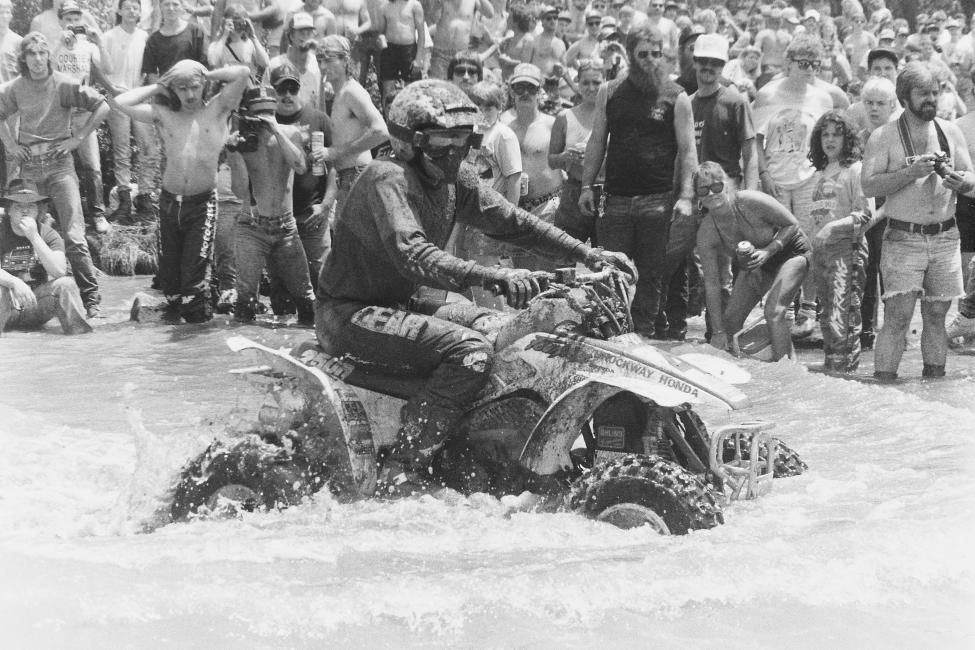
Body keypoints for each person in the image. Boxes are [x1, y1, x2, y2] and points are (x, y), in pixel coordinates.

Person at [314, 79, 633, 495]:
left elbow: (514, 222)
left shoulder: (455, 181)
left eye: (461, 139)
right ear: (410, 142)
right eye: (442, 140)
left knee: (507, 330)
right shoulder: (385, 177)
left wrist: (589, 254)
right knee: (469, 353)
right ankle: (406, 462)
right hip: (348, 313)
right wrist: (493, 276)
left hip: (403, 301)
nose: (453, 151)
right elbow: (415, 255)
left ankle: (481, 448)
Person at [579, 24, 697, 336]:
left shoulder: (677, 97)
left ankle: (642, 337)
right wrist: (585, 186)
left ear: (664, 56)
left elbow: (688, 152)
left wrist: (686, 196)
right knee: (610, 275)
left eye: (656, 54)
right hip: (615, 199)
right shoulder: (610, 91)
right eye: (642, 54)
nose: (649, 60)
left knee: (651, 276)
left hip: (657, 201)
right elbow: (596, 142)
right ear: (630, 55)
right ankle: (612, 337)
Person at [111, 61, 251, 323]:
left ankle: (199, 329)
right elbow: (120, 102)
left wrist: (205, 73)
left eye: (194, 87)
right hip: (168, 203)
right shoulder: (164, 114)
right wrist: (160, 84)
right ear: (172, 90)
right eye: (182, 88)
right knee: (170, 283)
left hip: (202, 205)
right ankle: (178, 347)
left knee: (194, 280)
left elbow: (242, 73)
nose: (189, 94)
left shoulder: (218, 109)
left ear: (204, 87)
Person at [861, 62, 975, 380]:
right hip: (903, 236)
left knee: (937, 316)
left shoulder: (949, 131)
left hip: (946, 236)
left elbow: (972, 180)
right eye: (922, 93)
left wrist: (960, 182)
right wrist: (909, 173)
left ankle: (934, 389)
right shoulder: (883, 136)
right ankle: (883, 388)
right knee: (898, 317)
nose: (930, 99)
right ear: (903, 96)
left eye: (934, 93)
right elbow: (868, 185)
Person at [0, 33, 108, 319]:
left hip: (60, 164)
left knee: (74, 234)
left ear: (49, 55)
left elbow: (102, 105)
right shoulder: (16, 88)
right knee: (26, 226)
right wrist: (11, 145)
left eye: (42, 53)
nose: (37, 59)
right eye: (31, 54)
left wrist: (78, 138)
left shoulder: (63, 84)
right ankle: (29, 295)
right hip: (30, 166)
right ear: (23, 58)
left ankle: (92, 301)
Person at [656, 33, 756, 341]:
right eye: (703, 62)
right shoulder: (688, 102)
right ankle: (665, 328)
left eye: (714, 63)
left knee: (721, 271)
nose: (708, 69)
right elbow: (679, 154)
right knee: (669, 260)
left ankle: (721, 334)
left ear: (723, 65)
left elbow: (751, 154)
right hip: (689, 197)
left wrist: (748, 196)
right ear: (694, 63)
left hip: (722, 199)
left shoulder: (735, 101)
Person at [753, 34, 842, 339]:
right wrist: (763, 175)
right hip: (775, 179)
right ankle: (783, 305)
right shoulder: (767, 94)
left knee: (810, 242)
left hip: (809, 178)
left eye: (815, 64)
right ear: (788, 63)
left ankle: (807, 305)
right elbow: (756, 140)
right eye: (804, 63)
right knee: (777, 243)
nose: (809, 69)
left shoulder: (822, 97)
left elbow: (831, 135)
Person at [695, 162, 811, 361]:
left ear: (727, 185)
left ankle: (788, 373)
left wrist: (768, 251)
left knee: (774, 312)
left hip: (791, 251)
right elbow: (712, 284)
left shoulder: (749, 200)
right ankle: (754, 371)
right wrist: (717, 332)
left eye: (716, 187)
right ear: (697, 195)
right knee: (729, 324)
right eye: (704, 189)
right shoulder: (706, 232)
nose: (712, 194)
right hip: (758, 265)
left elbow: (792, 223)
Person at [228, 86, 315, 323]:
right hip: (251, 227)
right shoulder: (244, 143)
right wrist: (234, 154)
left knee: (306, 298)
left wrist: (276, 130)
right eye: (259, 114)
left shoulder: (290, 134)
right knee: (245, 299)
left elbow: (300, 166)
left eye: (269, 112)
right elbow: (238, 191)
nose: (264, 119)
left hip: (286, 227)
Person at [808, 111, 873, 371]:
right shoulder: (820, 172)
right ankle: (832, 379)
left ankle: (845, 375)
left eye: (837, 134)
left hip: (847, 251)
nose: (830, 140)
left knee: (842, 320)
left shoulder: (855, 170)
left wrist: (834, 227)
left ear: (848, 138)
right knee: (827, 319)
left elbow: (866, 216)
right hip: (822, 254)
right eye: (825, 134)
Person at [270, 60, 334, 299]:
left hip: (312, 216)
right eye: (281, 90)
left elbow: (335, 166)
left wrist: (326, 206)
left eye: (292, 89)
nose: (287, 95)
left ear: (300, 90)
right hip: (277, 222)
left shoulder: (319, 119)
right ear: (272, 92)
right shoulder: (265, 122)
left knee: (323, 282)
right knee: (281, 289)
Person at [0, 178, 91, 335]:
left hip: (33, 304)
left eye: (30, 206)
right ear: (8, 210)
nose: (25, 211)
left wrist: (34, 237)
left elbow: (59, 272)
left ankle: (80, 339)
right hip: (4, 303)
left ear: (38, 211)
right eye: (18, 206)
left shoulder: (48, 234)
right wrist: (14, 282)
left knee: (66, 285)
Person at [52, 0, 113, 235]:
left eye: (76, 19)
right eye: (68, 19)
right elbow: (45, 72)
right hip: (60, 112)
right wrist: (59, 45)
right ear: (61, 21)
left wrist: (100, 43)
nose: (73, 23)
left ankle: (97, 214)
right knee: (57, 163)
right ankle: (57, 213)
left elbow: (108, 68)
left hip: (85, 111)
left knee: (93, 165)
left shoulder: (88, 45)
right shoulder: (54, 44)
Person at [314, 35, 388, 216]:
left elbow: (381, 131)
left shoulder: (352, 92)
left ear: (345, 60)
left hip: (357, 176)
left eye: (329, 60)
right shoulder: (336, 93)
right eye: (319, 60)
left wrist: (336, 152)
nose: (323, 67)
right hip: (344, 179)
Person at [102, 0, 159, 223]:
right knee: (122, 149)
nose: (131, 11)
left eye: (135, 8)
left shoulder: (145, 37)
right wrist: (110, 88)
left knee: (150, 148)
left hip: (140, 96)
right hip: (118, 98)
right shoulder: (109, 36)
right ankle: (124, 198)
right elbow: (98, 66)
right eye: (127, 7)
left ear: (139, 12)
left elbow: (151, 69)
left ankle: (144, 195)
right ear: (119, 10)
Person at [502, 63, 562, 270]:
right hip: (517, 208)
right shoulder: (502, 126)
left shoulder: (553, 124)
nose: (525, 93)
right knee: (522, 272)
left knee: (548, 270)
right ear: (511, 91)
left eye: (531, 88)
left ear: (540, 91)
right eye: (520, 88)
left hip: (548, 207)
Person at [549, 59, 602, 245]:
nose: (591, 87)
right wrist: (565, 157)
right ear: (577, 84)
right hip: (573, 190)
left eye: (596, 82)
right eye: (586, 82)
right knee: (564, 252)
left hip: (605, 193)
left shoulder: (613, 115)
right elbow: (551, 160)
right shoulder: (565, 117)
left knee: (606, 256)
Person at [142, 0, 208, 83]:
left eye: (175, 4)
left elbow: (204, 65)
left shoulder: (196, 31)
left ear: (182, 6)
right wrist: (162, 91)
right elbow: (150, 72)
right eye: (166, 4)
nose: (171, 8)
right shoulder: (153, 40)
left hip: (193, 87)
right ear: (160, 7)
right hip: (166, 90)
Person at [428, 0, 493, 80]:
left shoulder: (473, 2)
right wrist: (437, 4)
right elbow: (433, 18)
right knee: (438, 87)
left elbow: (490, 14)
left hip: (461, 55)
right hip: (440, 54)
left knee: (458, 89)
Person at [270, 13, 322, 112]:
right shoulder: (275, 64)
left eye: (309, 33)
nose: (306, 37)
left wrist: (319, 51)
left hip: (310, 122)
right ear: (291, 36)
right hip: (283, 123)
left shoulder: (318, 64)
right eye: (302, 32)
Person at [377, 0, 425, 101]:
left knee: (413, 89)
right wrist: (381, 39)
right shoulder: (385, 6)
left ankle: (411, 116)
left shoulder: (414, 5)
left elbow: (421, 33)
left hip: (409, 51)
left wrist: (419, 58)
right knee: (387, 90)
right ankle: (388, 116)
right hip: (389, 50)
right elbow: (381, 31)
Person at [207, 5, 270, 77]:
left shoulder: (249, 43)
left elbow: (265, 63)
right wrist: (224, 35)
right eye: (235, 23)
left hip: (245, 85)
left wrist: (253, 37)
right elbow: (213, 62)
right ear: (225, 22)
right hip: (225, 85)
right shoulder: (218, 44)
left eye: (241, 23)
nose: (238, 27)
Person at [0, 0, 21, 83]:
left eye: (7, 12)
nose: (4, 16)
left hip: (10, 93)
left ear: (11, 16)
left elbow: (23, 72)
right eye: (1, 12)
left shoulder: (18, 41)